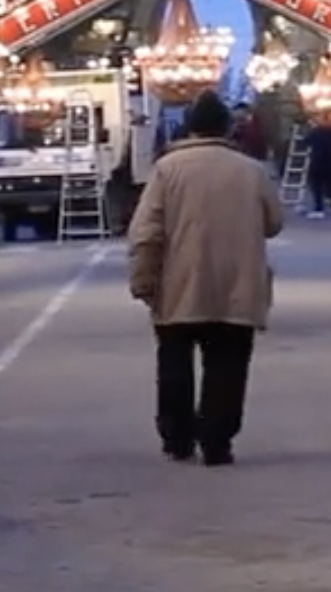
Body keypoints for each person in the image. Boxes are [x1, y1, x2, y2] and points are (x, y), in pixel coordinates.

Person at [127, 93, 282, 466]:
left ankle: (177, 438)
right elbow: (273, 223)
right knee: (228, 363)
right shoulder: (252, 170)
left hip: (178, 282)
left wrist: (143, 278)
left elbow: (145, 231)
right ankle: (217, 439)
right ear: (228, 128)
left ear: (190, 126)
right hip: (238, 283)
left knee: (175, 361)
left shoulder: (167, 169)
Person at [303, 118, 331, 217]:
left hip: (317, 162)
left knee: (317, 187)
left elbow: (306, 142)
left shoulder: (315, 132)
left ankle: (319, 208)